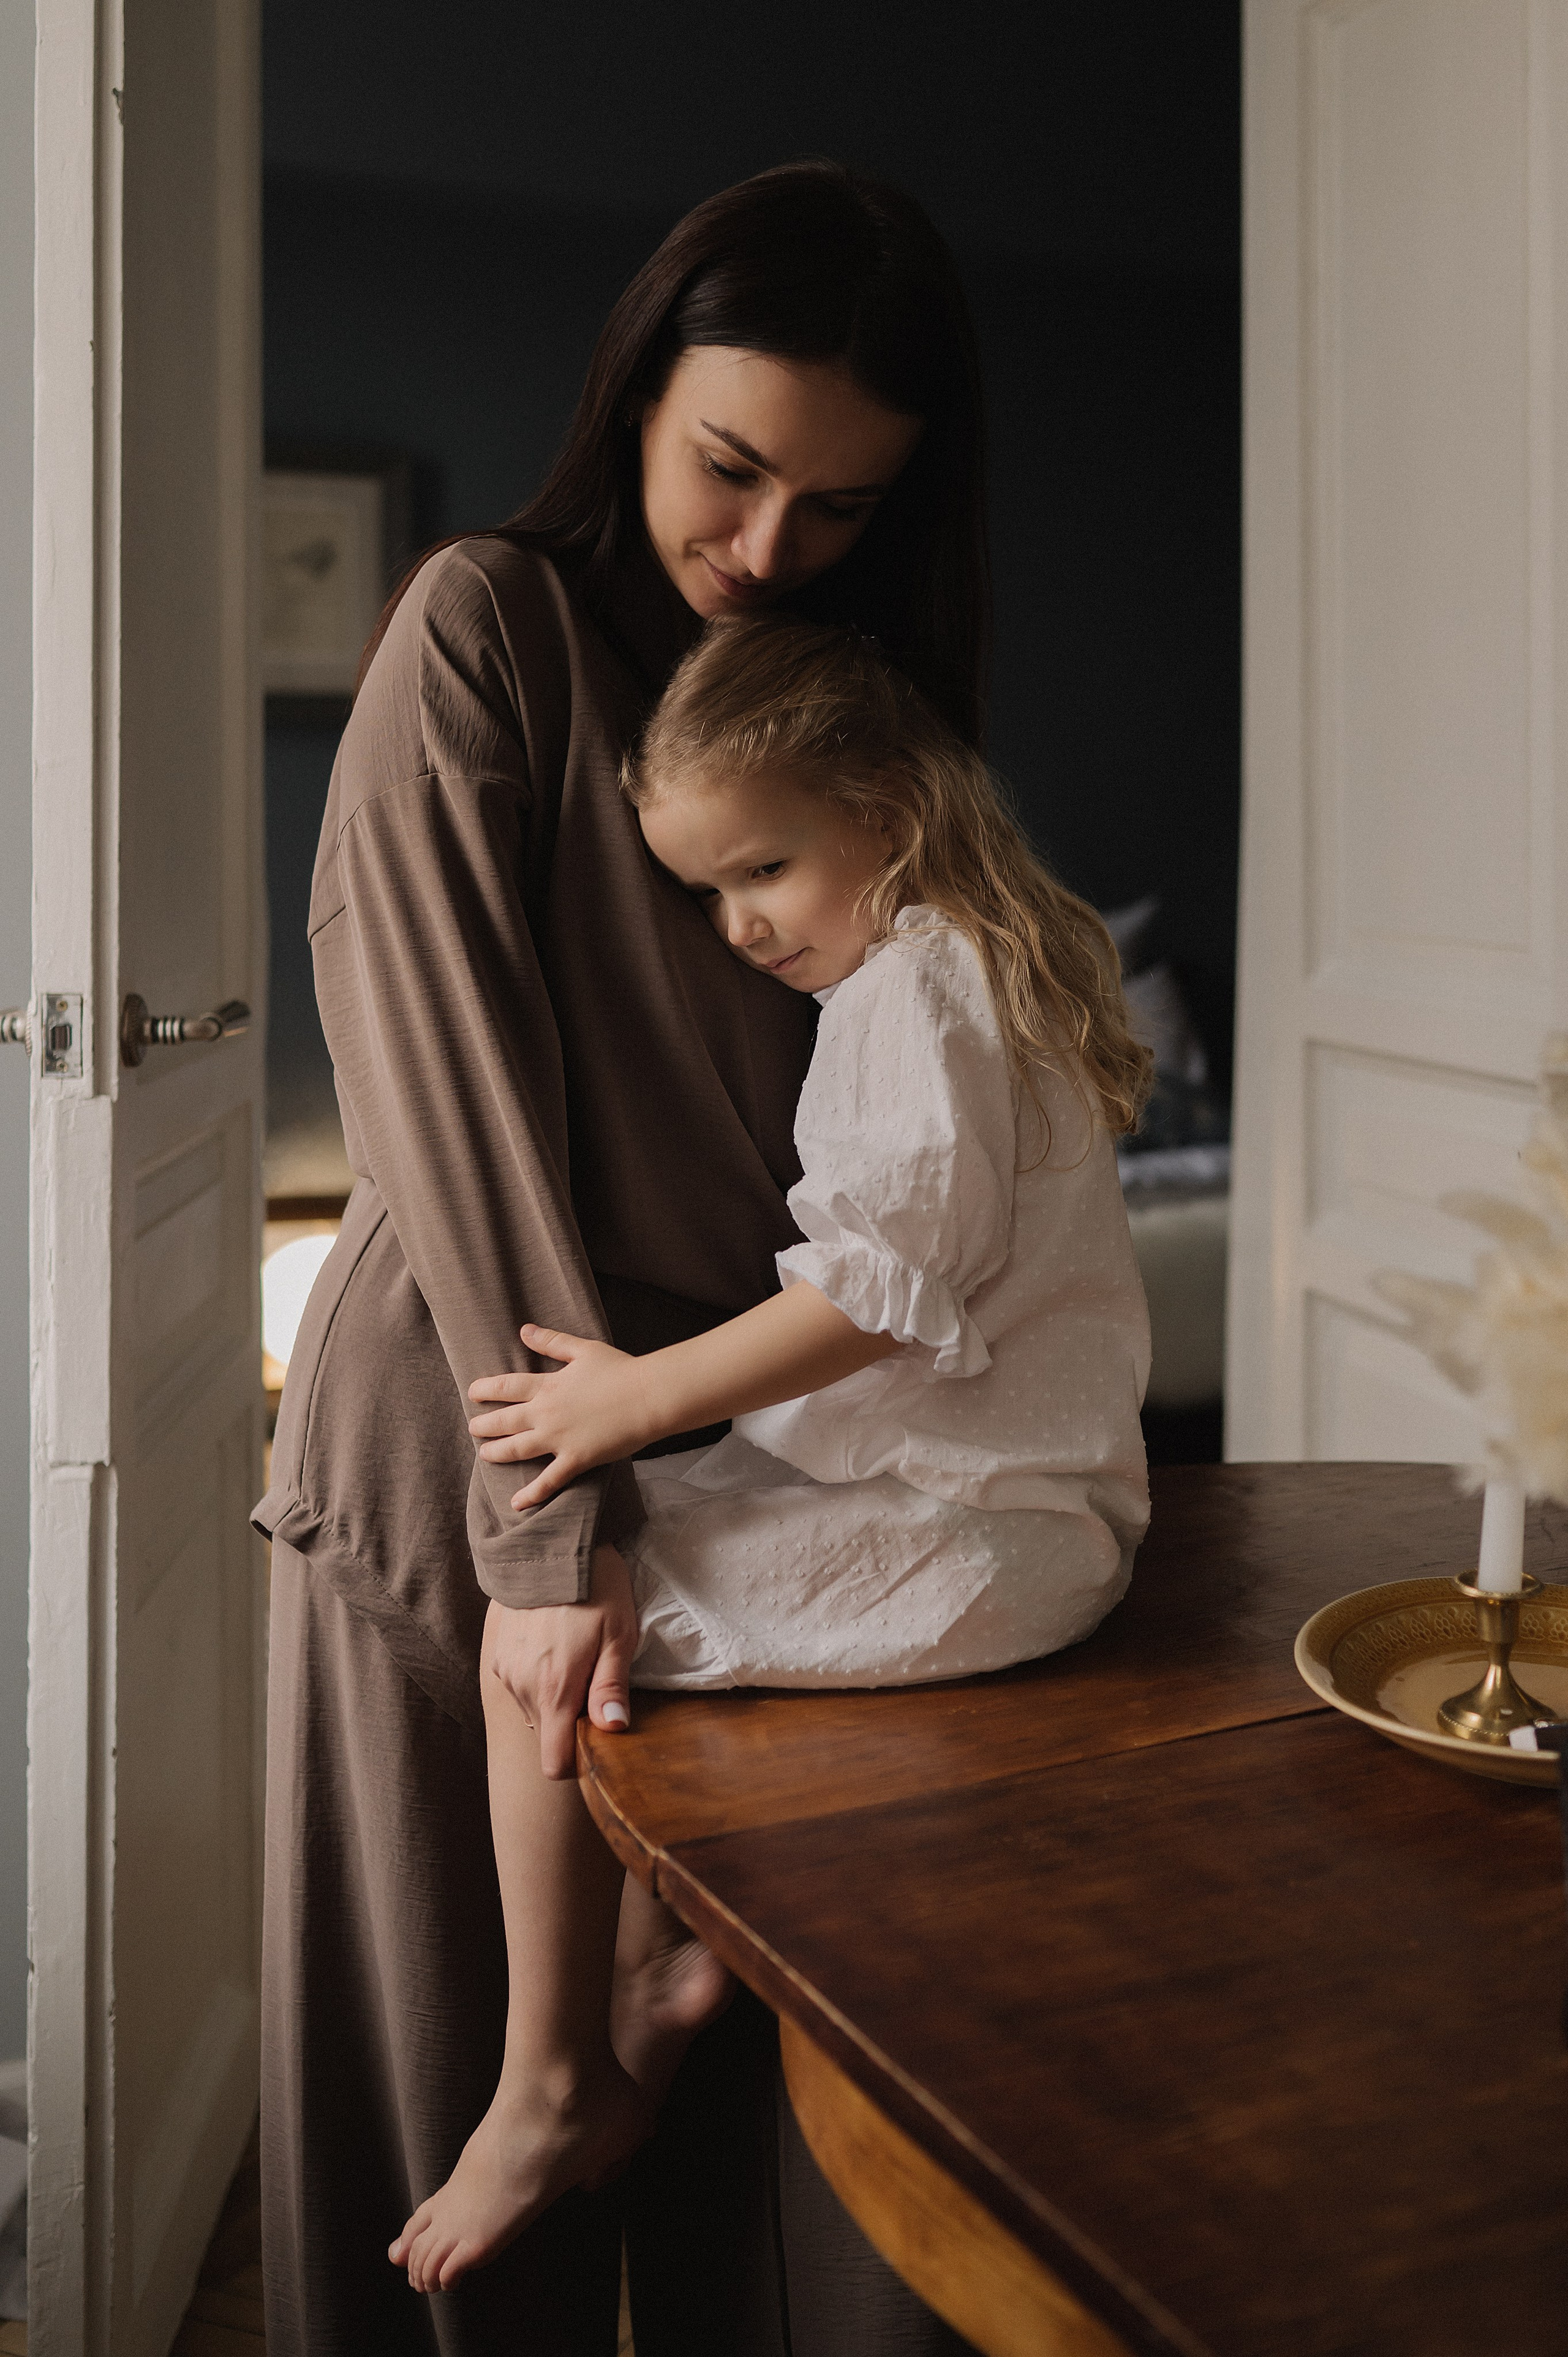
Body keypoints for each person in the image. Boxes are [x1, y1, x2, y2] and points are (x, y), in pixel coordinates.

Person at [255, 162, 1000, 2357]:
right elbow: (447, 1100)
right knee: (459, 2139)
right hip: (489, 1433)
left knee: (773, 2160)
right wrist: (547, 1527)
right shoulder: (485, 626)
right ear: (637, 392)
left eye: (840, 507)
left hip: (768, 1459)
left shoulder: (860, 712)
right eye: (731, 468)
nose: (768, 546)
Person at [389, 613, 1152, 2295]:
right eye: (708, 893)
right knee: (608, 1568)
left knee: (544, 1637)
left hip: (985, 1528)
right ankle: (656, 1962)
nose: (740, 927)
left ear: (891, 806)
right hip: (971, 1494)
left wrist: (635, 1399)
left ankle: (545, 2078)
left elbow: (877, 1289)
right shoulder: (955, 963)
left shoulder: (920, 990)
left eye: (768, 869)